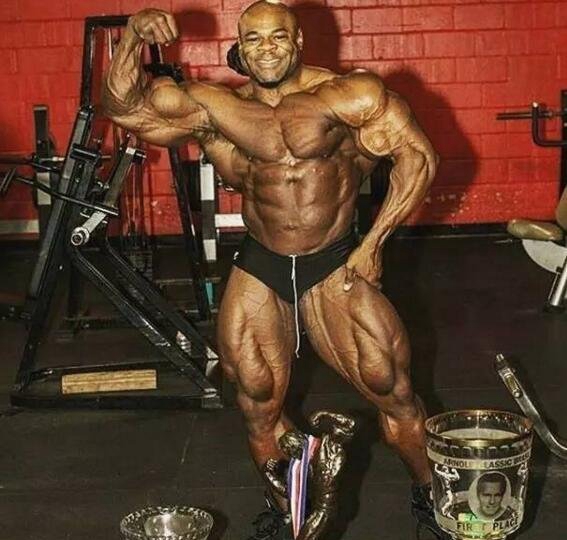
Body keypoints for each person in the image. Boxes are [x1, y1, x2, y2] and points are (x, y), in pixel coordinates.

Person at [102, 2, 441, 538]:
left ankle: (434, 496)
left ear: (298, 40)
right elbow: (125, 109)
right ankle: (289, 508)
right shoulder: (216, 107)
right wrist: (131, 36)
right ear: (239, 45)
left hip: (333, 259)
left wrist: (374, 243)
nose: (266, 49)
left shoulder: (347, 94)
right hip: (262, 260)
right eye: (254, 39)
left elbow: (418, 156)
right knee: (257, 399)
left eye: (277, 37)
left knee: (391, 388)